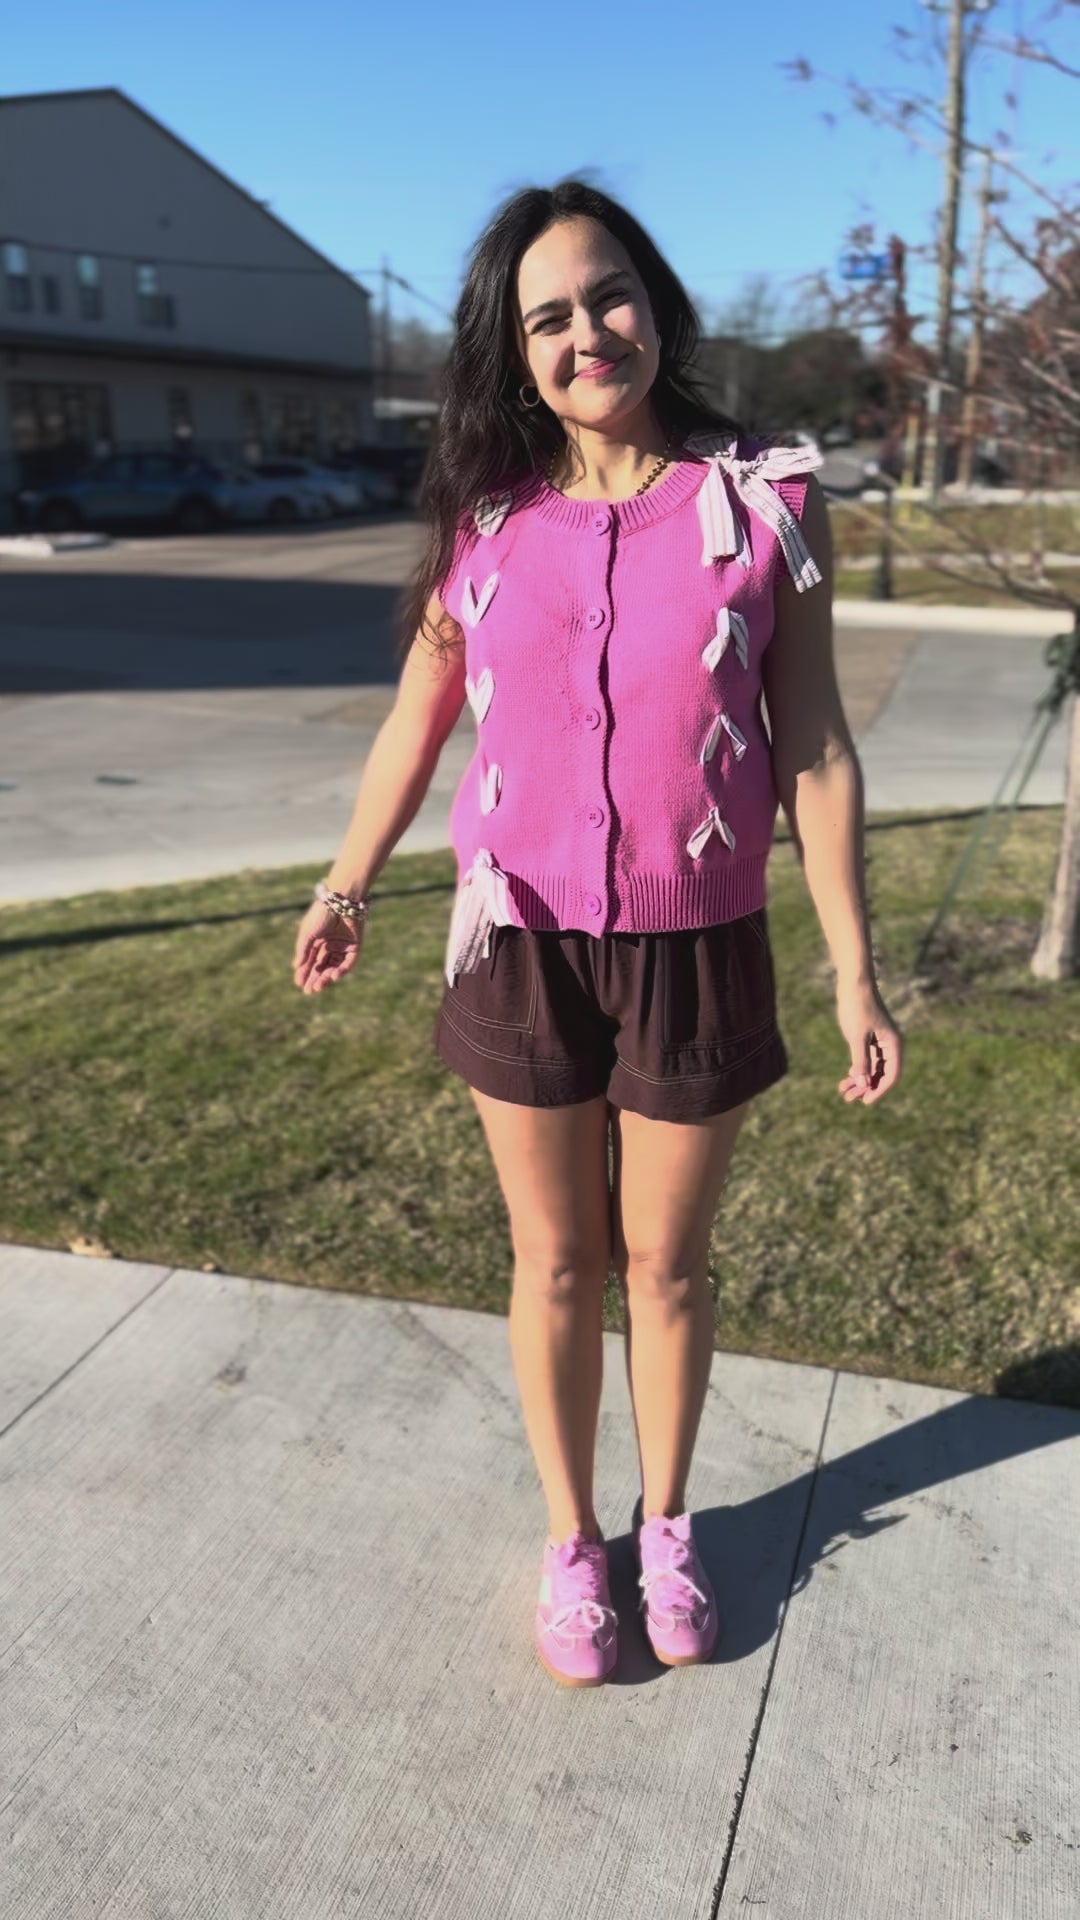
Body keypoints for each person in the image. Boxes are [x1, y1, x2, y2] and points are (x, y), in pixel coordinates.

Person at [292, 180, 903, 1689]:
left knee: (668, 1263)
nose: (588, 334)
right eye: (549, 316)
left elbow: (814, 746)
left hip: (697, 936)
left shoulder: (764, 497)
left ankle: (671, 1522)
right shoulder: (486, 517)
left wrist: (858, 972)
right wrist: (345, 879)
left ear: (658, 302)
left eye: (609, 295)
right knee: (558, 1259)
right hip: (521, 939)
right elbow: (413, 723)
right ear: (516, 350)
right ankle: (575, 1541)